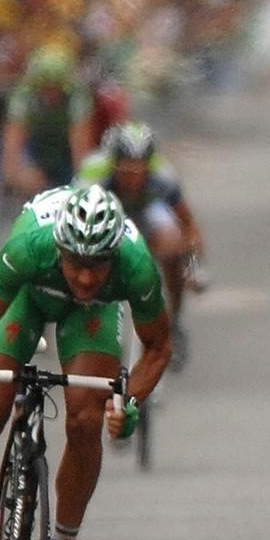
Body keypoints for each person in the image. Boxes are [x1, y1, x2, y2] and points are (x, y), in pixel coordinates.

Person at [0, 185, 170, 540]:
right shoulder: (29, 249)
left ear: (115, 255)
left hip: (90, 315)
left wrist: (129, 403)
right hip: (27, 297)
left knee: (86, 418)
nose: (87, 277)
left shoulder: (137, 267)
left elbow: (159, 347)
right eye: (76, 263)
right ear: (60, 248)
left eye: (98, 265)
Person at [73, 122, 206, 363]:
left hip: (147, 213)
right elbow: (75, 226)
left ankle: (173, 322)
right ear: (113, 163)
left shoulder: (163, 176)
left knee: (171, 245)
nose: (133, 175)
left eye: (140, 167)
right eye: (126, 168)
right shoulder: (92, 177)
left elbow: (188, 224)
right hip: (104, 214)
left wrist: (194, 267)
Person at [0, 44, 96, 205]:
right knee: (29, 182)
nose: (50, 93)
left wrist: (84, 184)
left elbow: (80, 143)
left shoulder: (78, 97)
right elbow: (13, 141)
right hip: (38, 150)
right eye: (45, 88)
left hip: (65, 151)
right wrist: (10, 178)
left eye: (55, 88)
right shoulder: (23, 97)